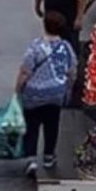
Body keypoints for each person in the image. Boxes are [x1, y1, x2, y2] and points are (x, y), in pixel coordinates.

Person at [16, 11, 78, 178]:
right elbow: (72, 72)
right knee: (52, 126)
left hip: (34, 95)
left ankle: (31, 159)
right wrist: (68, 89)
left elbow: (24, 72)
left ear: (44, 25)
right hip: (55, 95)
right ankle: (49, 156)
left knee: (32, 126)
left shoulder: (35, 47)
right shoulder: (66, 48)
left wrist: (18, 90)